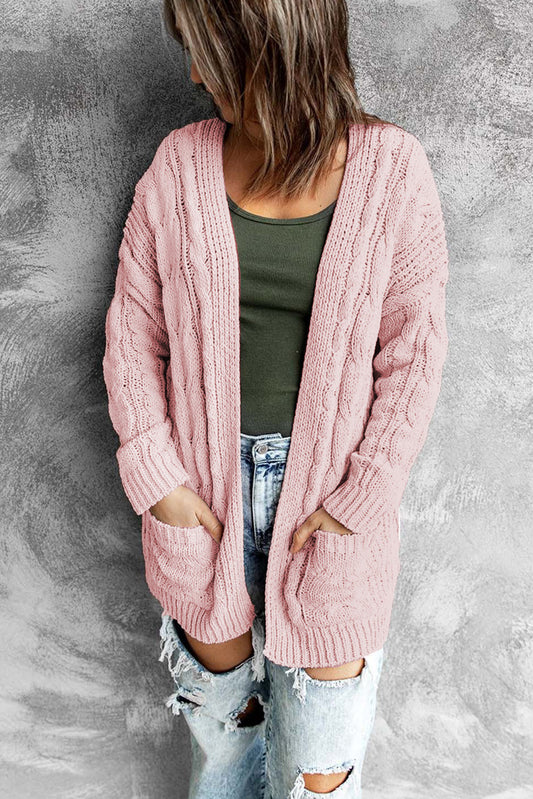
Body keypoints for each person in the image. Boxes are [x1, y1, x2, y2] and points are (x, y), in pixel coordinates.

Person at [102, 1, 449, 796]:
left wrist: (359, 499)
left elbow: (414, 355)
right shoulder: (178, 167)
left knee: (318, 771)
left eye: (206, 51)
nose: (194, 74)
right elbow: (132, 336)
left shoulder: (391, 170)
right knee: (225, 756)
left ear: (266, 47)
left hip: (331, 506)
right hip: (201, 502)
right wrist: (160, 483)